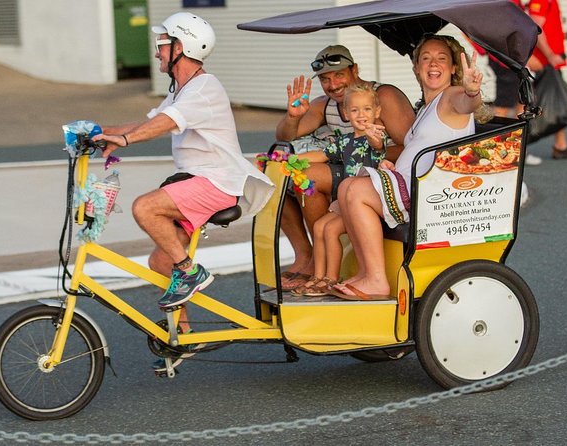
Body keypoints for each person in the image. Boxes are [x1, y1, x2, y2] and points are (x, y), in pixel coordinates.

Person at [92, 13, 274, 366]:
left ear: (180, 46)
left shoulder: (205, 88)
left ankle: (191, 272)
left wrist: (125, 139)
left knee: (145, 208)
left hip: (218, 183)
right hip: (196, 182)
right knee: (161, 260)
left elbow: (164, 124)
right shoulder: (184, 90)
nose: (158, 51)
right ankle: (185, 336)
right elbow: (149, 122)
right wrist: (100, 132)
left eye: (162, 44)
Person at [332, 35, 485, 300]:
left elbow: (467, 102)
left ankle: (377, 280)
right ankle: (367, 272)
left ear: (452, 69)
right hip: (413, 185)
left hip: (430, 194)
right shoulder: (427, 106)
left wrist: (472, 91)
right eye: (426, 58)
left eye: (441, 59)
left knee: (355, 191)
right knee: (347, 187)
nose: (433, 64)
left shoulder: (451, 96)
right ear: (416, 68)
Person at [275, 45, 416, 290]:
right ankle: (308, 258)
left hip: (378, 172)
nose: (333, 84)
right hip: (346, 168)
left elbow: (411, 145)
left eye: (339, 74)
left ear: (354, 69)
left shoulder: (382, 96)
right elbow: (287, 135)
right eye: (325, 79)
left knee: (307, 177)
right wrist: (293, 117)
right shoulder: (324, 105)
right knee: (279, 177)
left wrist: (373, 150)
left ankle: (327, 269)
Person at [289, 84, 386, 297]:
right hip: (344, 203)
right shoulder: (345, 141)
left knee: (331, 230)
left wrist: (371, 134)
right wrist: (291, 160)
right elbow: (322, 155)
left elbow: (377, 144)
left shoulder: (376, 135)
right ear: (345, 113)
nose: (361, 115)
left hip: (364, 205)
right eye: (355, 110)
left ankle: (331, 279)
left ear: (377, 112)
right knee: (320, 227)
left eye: (367, 109)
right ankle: (319, 276)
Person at [527, 0, 567, 159]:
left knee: (555, 102)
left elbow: (544, 27)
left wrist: (563, 35)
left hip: (549, 62)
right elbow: (535, 29)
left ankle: (561, 145)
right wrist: (550, 55)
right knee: (530, 104)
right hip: (544, 63)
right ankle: (519, 146)